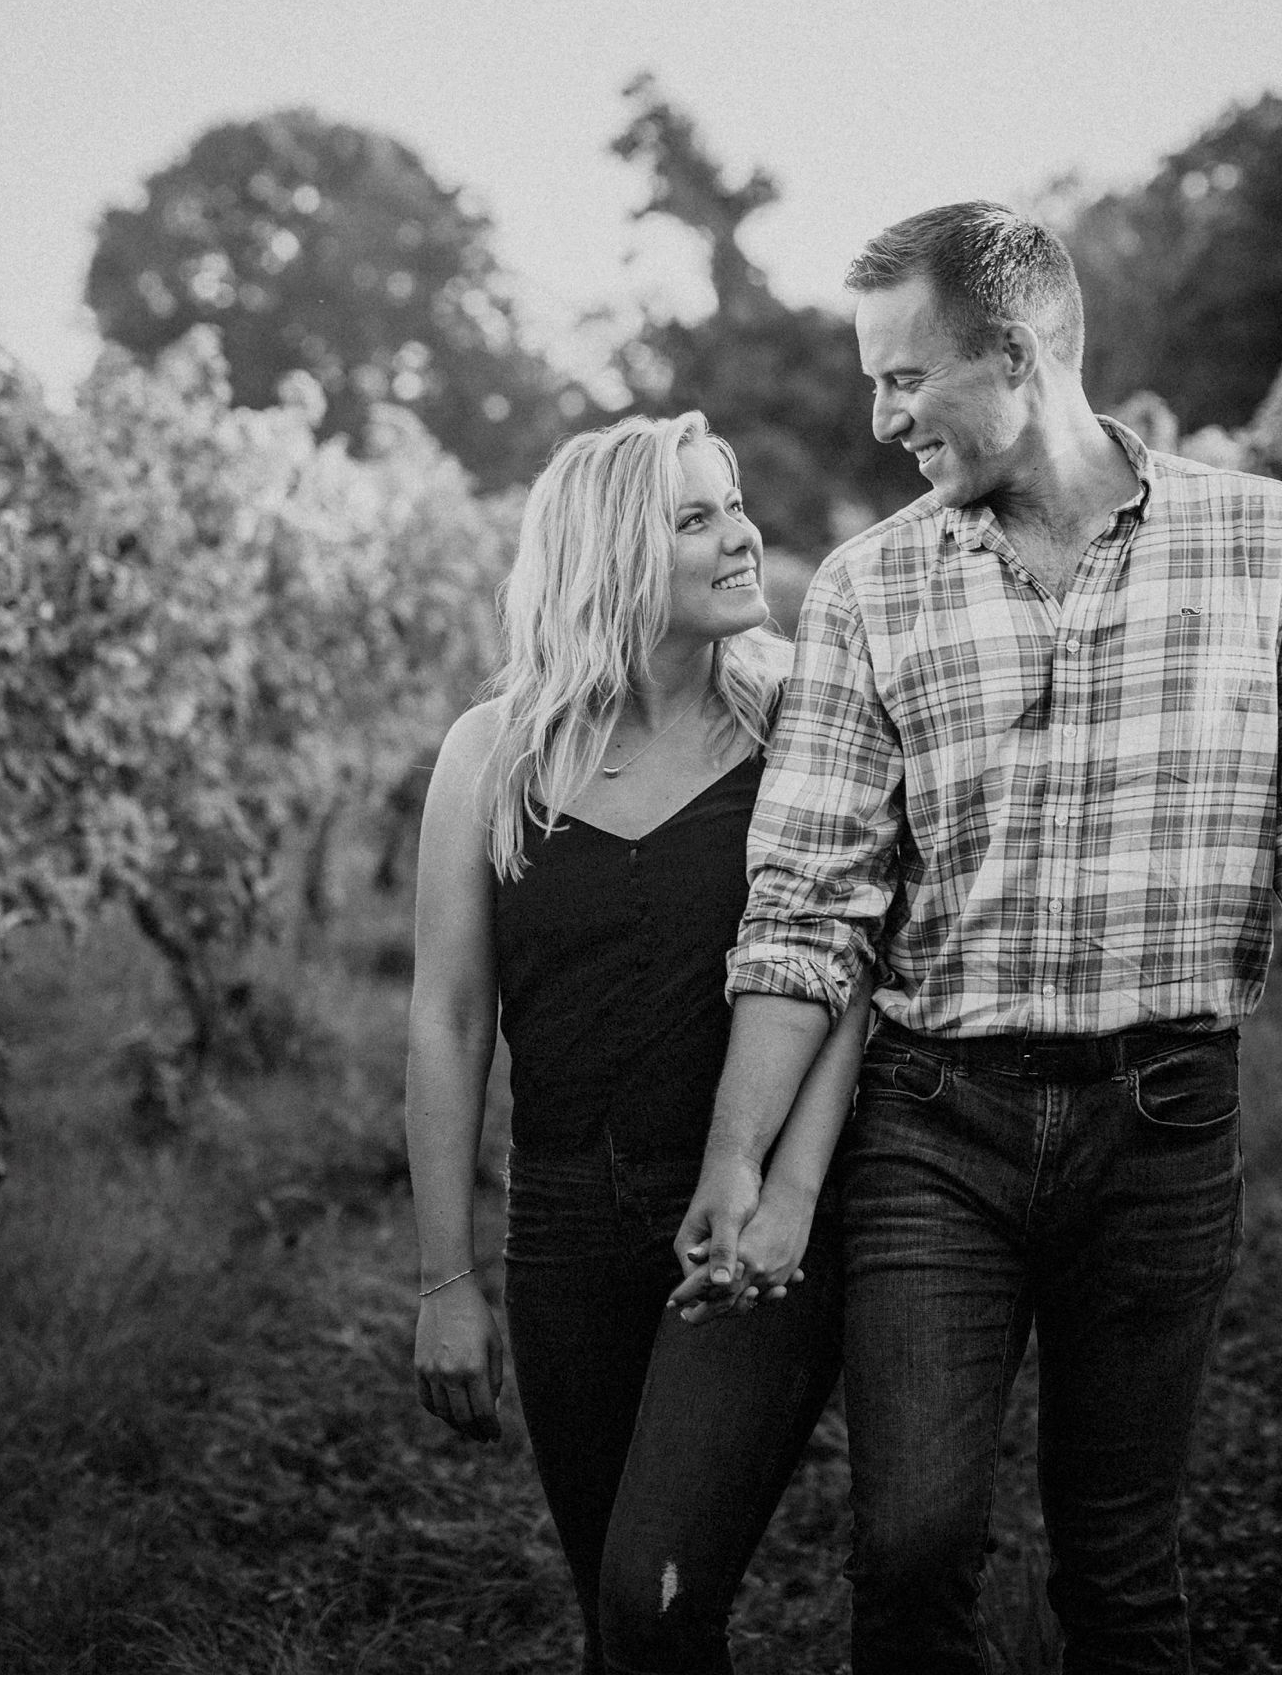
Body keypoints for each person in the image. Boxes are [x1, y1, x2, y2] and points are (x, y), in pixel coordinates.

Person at [669, 203, 1282, 1672]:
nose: (880, 414)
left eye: (904, 377)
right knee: (911, 1545)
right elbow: (807, 902)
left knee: (1120, 1562)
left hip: (1163, 1123)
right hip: (932, 1124)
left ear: (1013, 353)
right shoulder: (867, 585)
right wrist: (736, 1155)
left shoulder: (1261, 541)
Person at [404, 413, 876, 1672]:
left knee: (654, 1594)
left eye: (732, 505)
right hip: (560, 1222)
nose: (742, 535)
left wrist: (787, 1195)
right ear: (613, 556)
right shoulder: (492, 754)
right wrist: (446, 1281)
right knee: (621, 1622)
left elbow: (845, 980)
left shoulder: (793, 723)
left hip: (744, 1224)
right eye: (695, 518)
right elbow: (447, 1023)